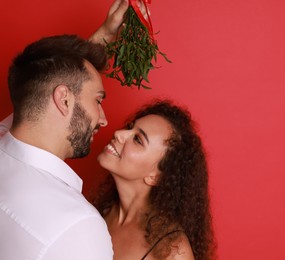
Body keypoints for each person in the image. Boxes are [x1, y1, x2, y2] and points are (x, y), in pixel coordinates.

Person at [0, 1, 129, 259]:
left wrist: (105, 32)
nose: (103, 120)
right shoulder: (79, 226)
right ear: (64, 100)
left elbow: (41, 89)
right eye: (98, 100)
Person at [93, 100, 217, 260]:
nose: (119, 133)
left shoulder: (172, 250)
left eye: (138, 140)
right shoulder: (98, 213)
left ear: (156, 176)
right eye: (130, 127)